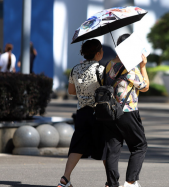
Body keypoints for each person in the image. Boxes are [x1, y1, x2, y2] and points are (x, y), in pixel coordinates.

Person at [57, 39, 107, 187]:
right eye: (101, 51)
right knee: (105, 146)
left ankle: (65, 178)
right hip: (98, 113)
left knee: (77, 145)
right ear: (98, 53)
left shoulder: (75, 69)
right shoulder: (101, 69)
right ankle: (111, 181)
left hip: (81, 113)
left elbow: (71, 91)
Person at [104, 34, 149, 187]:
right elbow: (145, 87)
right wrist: (143, 66)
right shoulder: (130, 67)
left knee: (113, 149)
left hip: (110, 112)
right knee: (139, 145)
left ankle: (112, 183)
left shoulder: (109, 64)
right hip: (128, 111)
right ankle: (130, 181)